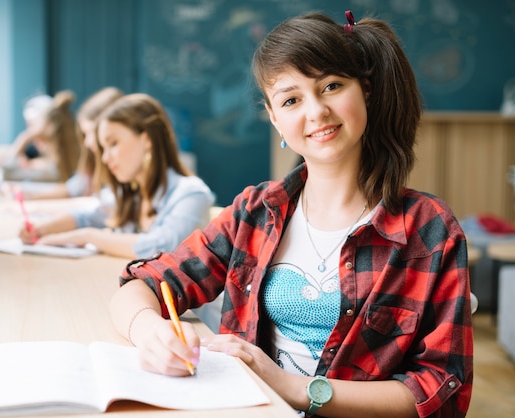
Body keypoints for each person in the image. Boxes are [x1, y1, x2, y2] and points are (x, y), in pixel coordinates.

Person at [109, 11, 473, 418]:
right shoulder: (254, 212)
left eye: (331, 86)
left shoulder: (429, 228)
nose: (316, 111)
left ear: (365, 91)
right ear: (275, 119)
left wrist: (292, 387)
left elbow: (441, 388)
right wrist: (150, 332)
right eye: (291, 99)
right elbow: (140, 285)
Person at [19, 93, 215, 259]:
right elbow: (86, 214)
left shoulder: (191, 193)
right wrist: (42, 229)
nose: (105, 158)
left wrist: (90, 236)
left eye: (113, 144)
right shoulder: (132, 193)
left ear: (146, 139)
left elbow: (164, 247)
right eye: (103, 147)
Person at [13, 87, 124, 201]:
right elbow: (74, 188)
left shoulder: (110, 164)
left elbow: (95, 206)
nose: (87, 143)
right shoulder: (90, 161)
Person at [3, 90, 81, 183]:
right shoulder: (52, 159)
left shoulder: (60, 163)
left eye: (31, 126)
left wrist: (24, 138)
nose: (30, 131)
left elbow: (7, 171)